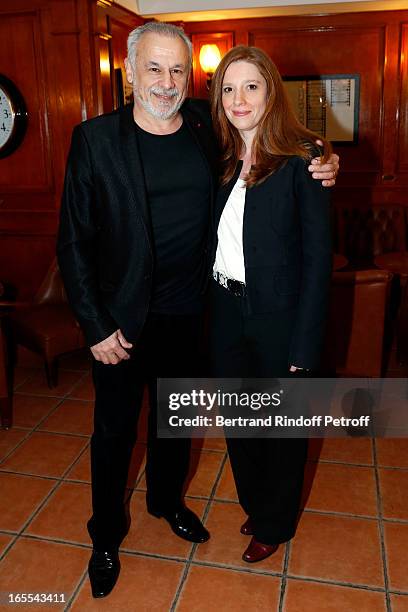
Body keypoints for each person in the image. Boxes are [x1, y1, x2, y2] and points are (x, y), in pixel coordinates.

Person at [57, 23, 339, 598]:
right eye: (154, 69)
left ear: (190, 78)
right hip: (120, 325)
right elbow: (73, 244)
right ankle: (105, 537)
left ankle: (166, 504)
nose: (166, 81)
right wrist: (94, 324)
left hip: (192, 317)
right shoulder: (95, 140)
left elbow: (281, 147)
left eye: (178, 70)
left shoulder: (202, 131)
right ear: (130, 72)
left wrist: (324, 159)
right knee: (113, 434)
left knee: (175, 427)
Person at [209, 45, 333, 563]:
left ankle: (275, 524)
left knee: (282, 430)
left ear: (270, 92)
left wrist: (303, 345)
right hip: (224, 312)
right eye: (228, 88)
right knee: (240, 424)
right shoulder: (213, 155)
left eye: (251, 86)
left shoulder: (304, 159)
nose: (239, 99)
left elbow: (317, 260)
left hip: (280, 319)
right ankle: (258, 505)